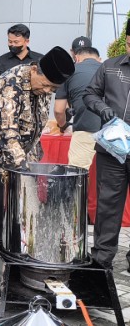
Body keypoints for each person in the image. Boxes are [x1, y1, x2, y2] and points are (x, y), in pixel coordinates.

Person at [0, 46, 73, 246]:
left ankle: (15, 252)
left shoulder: (42, 85)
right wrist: (26, 169)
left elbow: (36, 128)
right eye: (46, 86)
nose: (47, 91)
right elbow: (8, 132)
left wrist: (33, 164)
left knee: (20, 209)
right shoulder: (10, 85)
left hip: (20, 158)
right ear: (35, 70)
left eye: (52, 90)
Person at [83, 22, 130, 270]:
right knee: (108, 203)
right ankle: (101, 259)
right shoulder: (110, 67)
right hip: (112, 147)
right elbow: (89, 94)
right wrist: (103, 109)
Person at [54, 46, 101, 169]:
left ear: (77, 58)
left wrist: (63, 126)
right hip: (114, 129)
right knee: (114, 176)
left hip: (85, 128)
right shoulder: (111, 69)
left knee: (78, 173)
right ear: (99, 59)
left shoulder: (69, 71)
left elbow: (59, 110)